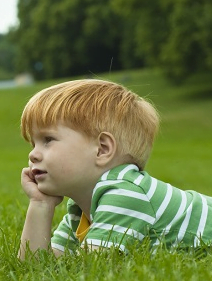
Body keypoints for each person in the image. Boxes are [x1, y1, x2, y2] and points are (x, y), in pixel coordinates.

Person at [17, 79, 212, 259]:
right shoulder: (81, 208)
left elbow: (88, 270)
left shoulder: (126, 195)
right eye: (33, 143)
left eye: (48, 140)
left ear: (102, 149)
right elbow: (38, 267)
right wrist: (40, 204)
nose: (33, 154)